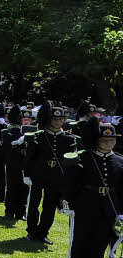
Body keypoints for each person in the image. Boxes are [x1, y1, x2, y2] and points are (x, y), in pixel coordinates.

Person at [62, 119, 123, 258]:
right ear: (96, 141)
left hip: (108, 208)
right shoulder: (83, 157)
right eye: (104, 140)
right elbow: (70, 182)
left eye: (112, 140)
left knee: (100, 242)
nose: (109, 143)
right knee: (81, 239)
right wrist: (68, 204)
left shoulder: (120, 161)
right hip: (85, 204)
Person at [24, 102, 79, 244]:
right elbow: (29, 157)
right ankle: (31, 230)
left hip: (56, 176)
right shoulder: (39, 136)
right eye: (55, 119)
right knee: (34, 203)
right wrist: (27, 174)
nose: (58, 122)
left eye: (60, 119)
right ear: (49, 120)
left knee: (50, 205)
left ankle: (43, 232)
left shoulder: (69, 138)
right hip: (39, 173)